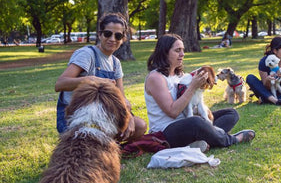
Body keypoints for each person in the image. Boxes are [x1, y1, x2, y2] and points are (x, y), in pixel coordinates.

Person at [144, 33, 255, 150]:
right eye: (177, 50)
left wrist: (204, 110)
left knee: (231, 114)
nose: (182, 54)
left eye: (182, 50)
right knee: (196, 122)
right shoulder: (156, 78)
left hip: (188, 122)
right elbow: (173, 112)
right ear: (165, 52)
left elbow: (195, 102)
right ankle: (232, 139)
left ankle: (201, 141)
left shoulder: (179, 75)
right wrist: (192, 87)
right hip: (167, 131)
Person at [55, 13, 147, 142]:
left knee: (139, 126)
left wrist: (129, 117)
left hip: (103, 116)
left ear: (123, 39)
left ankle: (109, 148)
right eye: (108, 34)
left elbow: (121, 97)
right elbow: (60, 84)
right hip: (77, 117)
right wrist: (93, 80)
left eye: (118, 35)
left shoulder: (115, 63)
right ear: (100, 34)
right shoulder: (86, 54)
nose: (112, 39)